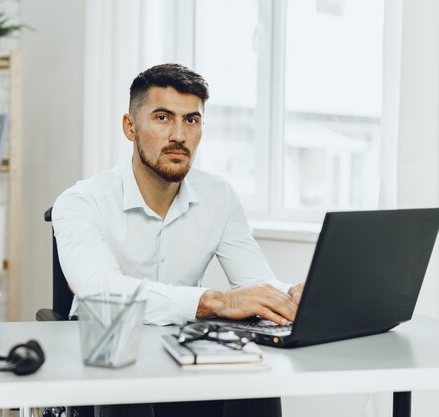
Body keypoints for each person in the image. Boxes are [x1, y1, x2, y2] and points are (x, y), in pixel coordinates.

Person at [52, 63, 304, 417]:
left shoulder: (220, 196)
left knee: (256, 383)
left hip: (184, 349)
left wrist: (289, 294)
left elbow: (254, 282)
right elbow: (100, 291)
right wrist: (214, 302)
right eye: (162, 118)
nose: (179, 136)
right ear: (130, 127)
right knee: (129, 397)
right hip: (108, 350)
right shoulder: (80, 201)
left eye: (191, 120)